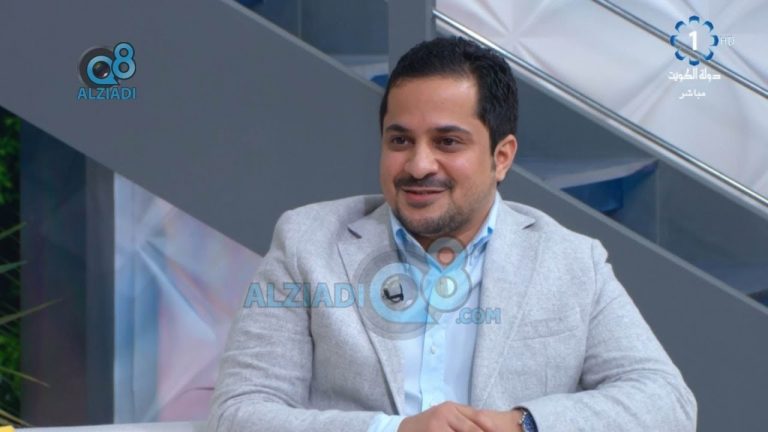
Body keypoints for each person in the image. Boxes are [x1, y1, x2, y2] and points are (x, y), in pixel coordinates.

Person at [207, 37, 697, 432]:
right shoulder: (306, 242)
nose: (419, 164)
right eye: (400, 140)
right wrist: (393, 430)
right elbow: (240, 412)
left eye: (447, 142)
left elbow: (665, 402)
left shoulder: (570, 259)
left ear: (501, 157)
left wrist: (524, 424)